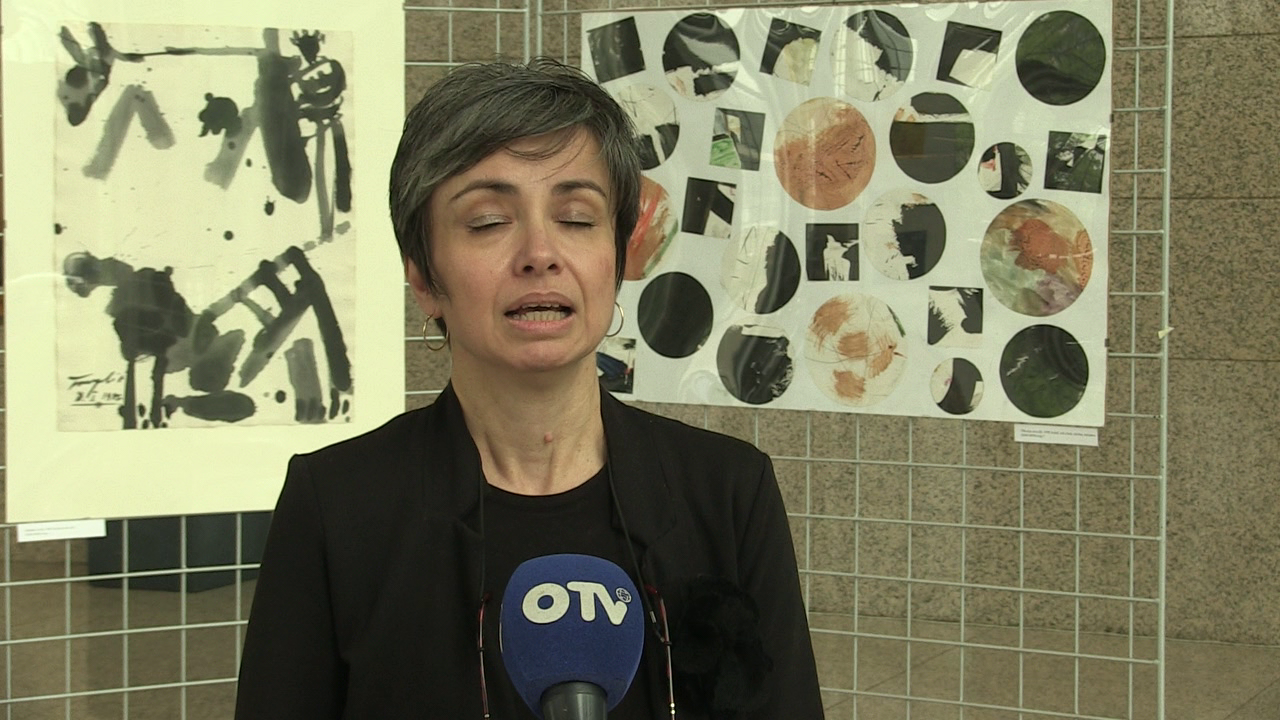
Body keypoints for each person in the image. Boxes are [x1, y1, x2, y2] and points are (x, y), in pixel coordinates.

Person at [234, 58, 822, 719]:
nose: (540, 253)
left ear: (616, 261)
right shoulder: (338, 506)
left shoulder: (728, 493)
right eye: (488, 221)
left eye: (576, 217)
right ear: (424, 278)